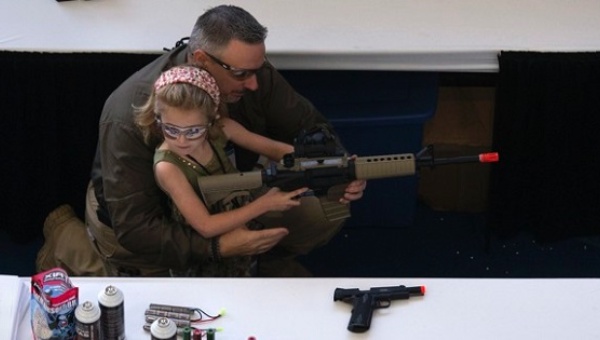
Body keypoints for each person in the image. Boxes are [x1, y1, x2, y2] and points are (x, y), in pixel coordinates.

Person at [37, 4, 366, 277]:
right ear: (201, 60)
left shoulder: (250, 72)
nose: (254, 84)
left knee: (327, 208)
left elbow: (309, 126)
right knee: (151, 303)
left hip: (224, 195)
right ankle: (68, 239)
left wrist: (336, 165)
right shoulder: (127, 113)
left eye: (259, 69)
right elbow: (137, 229)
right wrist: (218, 247)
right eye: (241, 75)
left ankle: (254, 258)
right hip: (152, 222)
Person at [135, 64, 309, 275]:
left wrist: (326, 162)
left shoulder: (223, 129)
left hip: (241, 231)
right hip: (205, 259)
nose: (181, 140)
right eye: (170, 129)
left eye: (194, 131)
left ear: (212, 119)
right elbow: (205, 226)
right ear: (157, 118)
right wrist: (265, 204)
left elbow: (276, 150)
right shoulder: (167, 167)